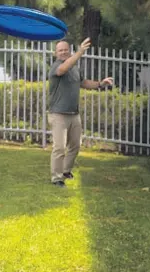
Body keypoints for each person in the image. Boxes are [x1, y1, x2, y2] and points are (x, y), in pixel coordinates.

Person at [48, 37, 114, 187]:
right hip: (58, 114)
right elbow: (62, 69)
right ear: (55, 53)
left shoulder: (75, 68)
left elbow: (83, 82)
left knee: (75, 145)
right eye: (60, 50)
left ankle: (65, 170)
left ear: (69, 50)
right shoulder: (56, 66)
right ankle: (57, 178)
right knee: (59, 147)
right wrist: (80, 53)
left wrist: (100, 84)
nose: (63, 52)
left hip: (74, 114)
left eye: (66, 49)